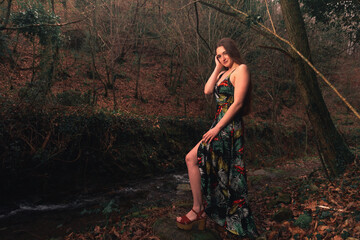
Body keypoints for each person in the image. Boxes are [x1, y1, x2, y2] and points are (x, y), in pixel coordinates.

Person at [176, 38, 258, 238]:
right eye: (219, 55)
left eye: (224, 53)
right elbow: (207, 90)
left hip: (228, 127)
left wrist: (218, 128)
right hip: (218, 125)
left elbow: (237, 104)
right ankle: (200, 210)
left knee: (201, 161)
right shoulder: (222, 72)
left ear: (232, 50)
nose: (223, 57)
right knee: (194, 160)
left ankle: (202, 211)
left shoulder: (242, 70)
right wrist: (216, 67)